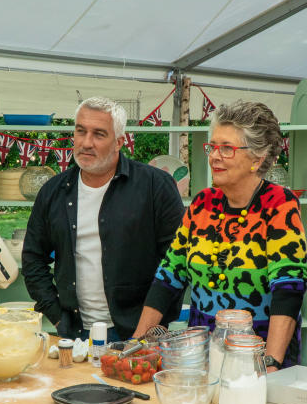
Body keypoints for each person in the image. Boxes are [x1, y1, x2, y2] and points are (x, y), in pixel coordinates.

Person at [134, 101, 307, 368]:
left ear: (257, 158)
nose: (215, 156)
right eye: (212, 147)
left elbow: (289, 290)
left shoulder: (278, 204)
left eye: (226, 148)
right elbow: (168, 277)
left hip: (255, 359)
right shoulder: (203, 202)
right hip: (199, 355)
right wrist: (138, 343)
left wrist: (270, 362)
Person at [22, 97, 185, 341]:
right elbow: (33, 259)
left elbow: (177, 263)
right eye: (80, 131)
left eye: (99, 134)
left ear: (119, 141)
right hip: (74, 333)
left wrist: (143, 334)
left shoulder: (155, 187)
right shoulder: (53, 192)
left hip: (141, 333)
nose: (86, 143)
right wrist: (57, 316)